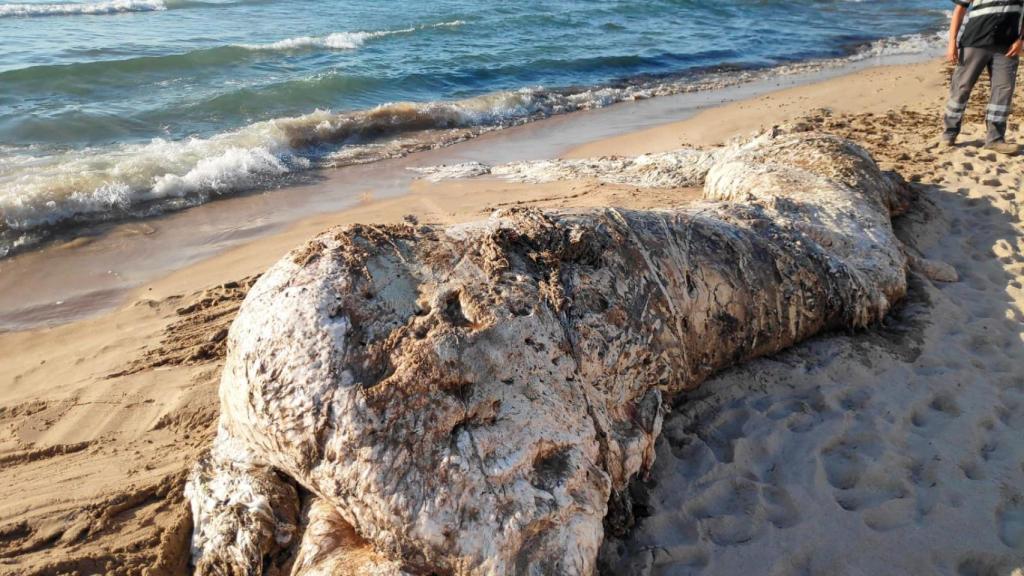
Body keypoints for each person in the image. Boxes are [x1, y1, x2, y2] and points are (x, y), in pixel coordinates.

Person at [943, 0, 1024, 154]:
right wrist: (952, 43)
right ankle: (949, 133)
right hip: (974, 42)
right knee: (961, 87)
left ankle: (995, 140)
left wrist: (1021, 40)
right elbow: (959, 10)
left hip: (1007, 47)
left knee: (1003, 91)